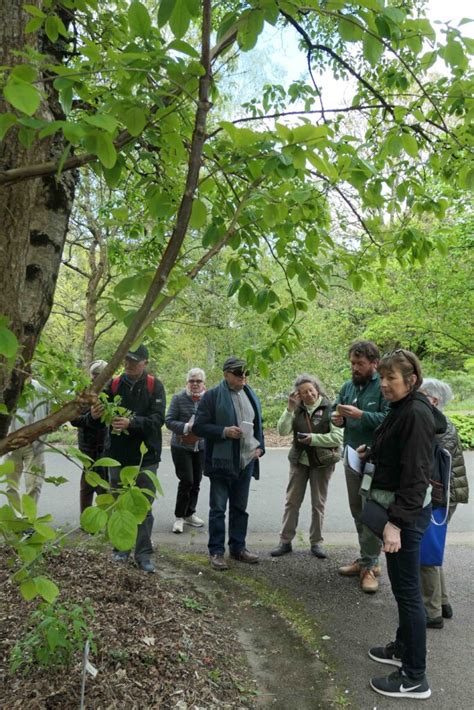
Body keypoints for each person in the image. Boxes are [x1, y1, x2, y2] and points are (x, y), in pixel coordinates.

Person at [363, 349, 446, 700]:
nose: (383, 384)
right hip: (400, 511)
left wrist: (395, 524)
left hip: (404, 516)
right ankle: (402, 647)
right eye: (381, 378)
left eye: (390, 378)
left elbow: (416, 476)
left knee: (409, 595)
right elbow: (401, 455)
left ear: (410, 380)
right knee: (402, 589)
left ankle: (415, 677)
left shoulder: (415, 413)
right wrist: (375, 451)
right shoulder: (404, 408)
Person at [91, 344, 165, 574]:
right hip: (117, 456)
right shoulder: (113, 384)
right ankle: (121, 549)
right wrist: (96, 415)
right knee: (119, 504)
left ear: (145, 362)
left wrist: (132, 423)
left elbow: (158, 420)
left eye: (135, 360)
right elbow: (100, 414)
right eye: (127, 360)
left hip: (146, 457)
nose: (130, 364)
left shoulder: (155, 386)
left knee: (143, 506)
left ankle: (143, 554)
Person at [193, 356, 264, 571]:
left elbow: (259, 423)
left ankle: (238, 548)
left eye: (245, 374)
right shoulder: (212, 396)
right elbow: (199, 427)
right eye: (238, 374)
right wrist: (224, 431)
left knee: (240, 508)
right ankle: (216, 551)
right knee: (218, 509)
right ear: (226, 375)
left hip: (246, 460)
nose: (243, 378)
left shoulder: (251, 394)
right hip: (221, 463)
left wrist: (260, 446)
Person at [333, 340, 389, 593]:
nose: (355, 368)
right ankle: (369, 560)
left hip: (375, 461)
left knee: (371, 514)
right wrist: (339, 419)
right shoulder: (348, 386)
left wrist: (361, 415)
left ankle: (369, 567)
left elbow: (390, 418)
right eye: (353, 363)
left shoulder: (383, 387)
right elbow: (339, 414)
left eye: (360, 364)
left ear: (374, 364)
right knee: (357, 511)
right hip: (351, 458)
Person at [270, 374, 343, 559]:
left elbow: (338, 438)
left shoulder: (331, 409)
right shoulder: (296, 409)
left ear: (317, 389)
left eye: (311, 390)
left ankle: (316, 542)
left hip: (322, 462)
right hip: (299, 462)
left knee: (318, 504)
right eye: (304, 392)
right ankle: (285, 541)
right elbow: (282, 431)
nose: (309, 394)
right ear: (298, 395)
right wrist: (289, 409)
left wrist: (314, 439)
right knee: (292, 502)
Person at [419, 378, 469, 629]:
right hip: (445, 495)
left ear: (433, 401)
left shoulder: (438, 427)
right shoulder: (439, 423)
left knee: (426, 552)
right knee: (432, 548)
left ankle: (432, 612)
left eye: (420, 395)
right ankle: (443, 602)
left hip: (438, 497)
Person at [165, 368, 206, 534]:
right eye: (192, 381)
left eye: (198, 381)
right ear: (187, 382)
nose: (195, 384)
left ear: (204, 383)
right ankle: (179, 517)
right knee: (187, 480)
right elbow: (168, 421)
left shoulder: (209, 398)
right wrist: (186, 427)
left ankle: (190, 513)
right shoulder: (178, 398)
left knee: (197, 481)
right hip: (181, 446)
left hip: (201, 447)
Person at [70, 360, 108, 514]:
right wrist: (90, 417)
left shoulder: (112, 391)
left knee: (104, 483)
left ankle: (103, 518)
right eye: (94, 375)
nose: (96, 379)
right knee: (87, 482)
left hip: (107, 444)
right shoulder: (82, 393)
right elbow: (74, 419)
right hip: (87, 445)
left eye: (100, 376)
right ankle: (86, 519)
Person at [6, 378, 49, 511]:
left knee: (34, 483)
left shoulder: (39, 389)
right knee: (10, 484)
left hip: (33, 445)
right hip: (10, 444)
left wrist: (36, 441)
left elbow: (42, 419)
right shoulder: (7, 389)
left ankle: (28, 520)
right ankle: (17, 518)